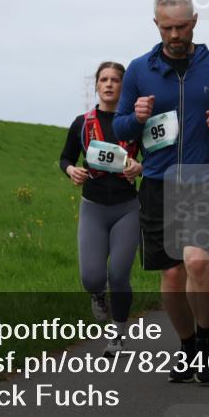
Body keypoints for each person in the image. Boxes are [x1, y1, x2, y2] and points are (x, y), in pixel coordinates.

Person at [114, 0, 209, 384]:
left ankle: (206, 341)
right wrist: (135, 118)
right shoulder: (140, 69)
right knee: (171, 275)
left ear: (195, 21)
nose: (175, 34)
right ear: (156, 24)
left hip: (204, 179)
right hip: (157, 184)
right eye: (167, 27)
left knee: (197, 260)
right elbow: (120, 125)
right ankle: (187, 345)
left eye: (182, 26)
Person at [59, 61, 143, 356]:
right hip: (93, 206)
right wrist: (71, 171)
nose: (108, 84)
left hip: (127, 207)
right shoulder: (81, 123)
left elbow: (153, 160)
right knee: (92, 277)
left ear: (124, 86)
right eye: (103, 79)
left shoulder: (134, 123)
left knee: (119, 274)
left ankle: (117, 337)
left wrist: (139, 166)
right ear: (96, 85)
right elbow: (65, 158)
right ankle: (97, 295)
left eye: (115, 80)